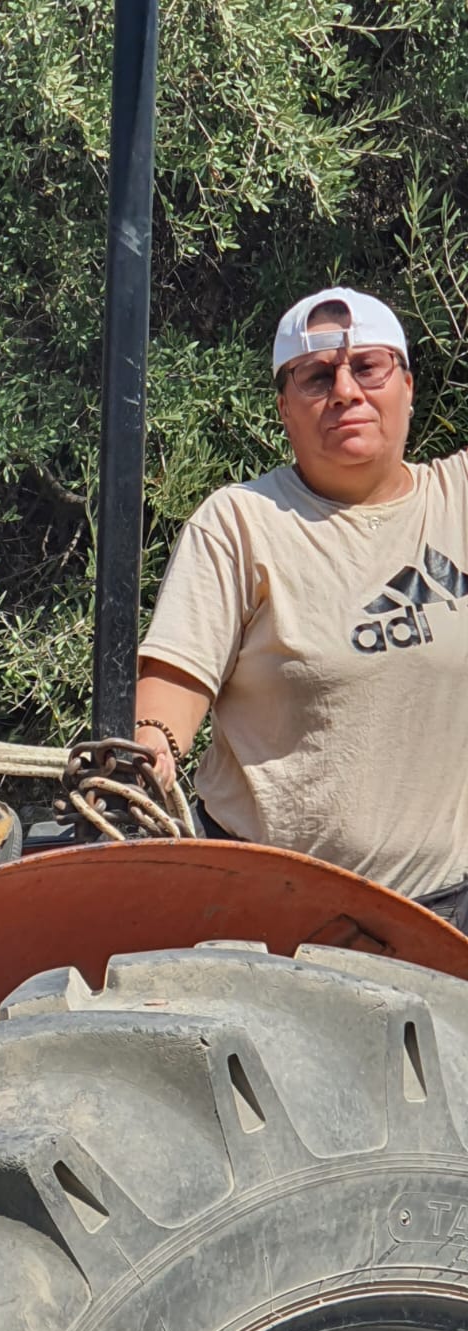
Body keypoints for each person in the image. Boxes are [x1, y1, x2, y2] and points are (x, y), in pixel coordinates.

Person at [134, 286, 468, 920]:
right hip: (268, 913)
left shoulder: (459, 499)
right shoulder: (240, 523)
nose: (345, 391)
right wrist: (147, 757)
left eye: (368, 367)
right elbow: (170, 696)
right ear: (285, 409)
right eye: (316, 377)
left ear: (408, 387)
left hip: (444, 913)